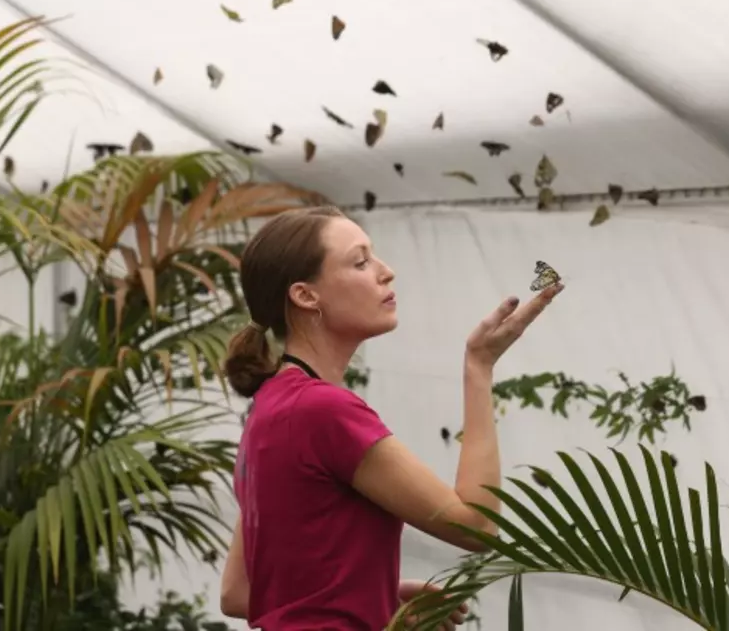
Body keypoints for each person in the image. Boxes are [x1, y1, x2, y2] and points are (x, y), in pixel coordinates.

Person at [218, 204, 563, 630]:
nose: (386, 271)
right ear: (306, 295)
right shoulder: (323, 410)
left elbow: (238, 594)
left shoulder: (270, 406)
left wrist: (377, 592)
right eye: (361, 262)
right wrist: (479, 367)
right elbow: (475, 525)